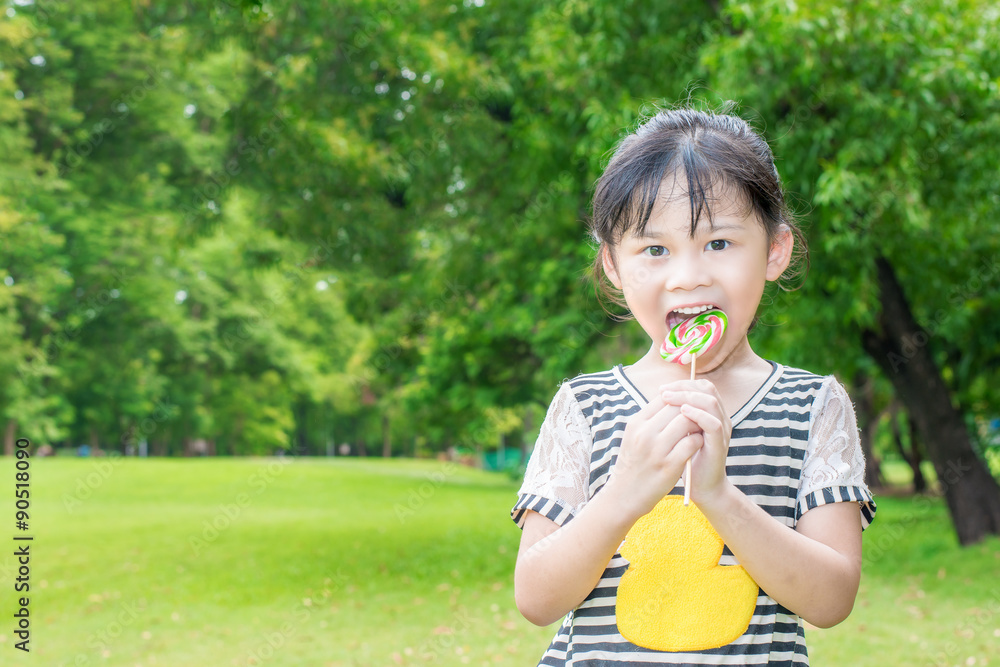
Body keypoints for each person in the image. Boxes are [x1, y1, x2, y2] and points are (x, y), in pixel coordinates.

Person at [511, 106, 876, 666]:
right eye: (654, 250)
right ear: (613, 265)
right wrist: (627, 489)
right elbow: (536, 597)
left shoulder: (813, 407)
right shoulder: (582, 407)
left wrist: (718, 496)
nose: (688, 276)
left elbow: (831, 600)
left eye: (719, 244)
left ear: (775, 250)